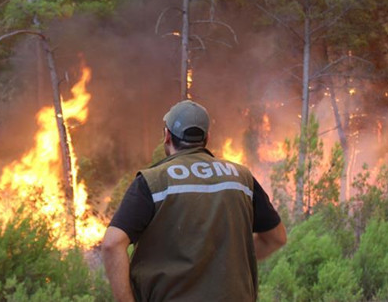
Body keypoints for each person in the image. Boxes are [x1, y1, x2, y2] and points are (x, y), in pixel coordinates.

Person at [102, 100, 287, 302]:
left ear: (167, 136)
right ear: (206, 138)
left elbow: (112, 244)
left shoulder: (153, 182)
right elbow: (276, 238)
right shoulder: (241, 178)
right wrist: (224, 266)